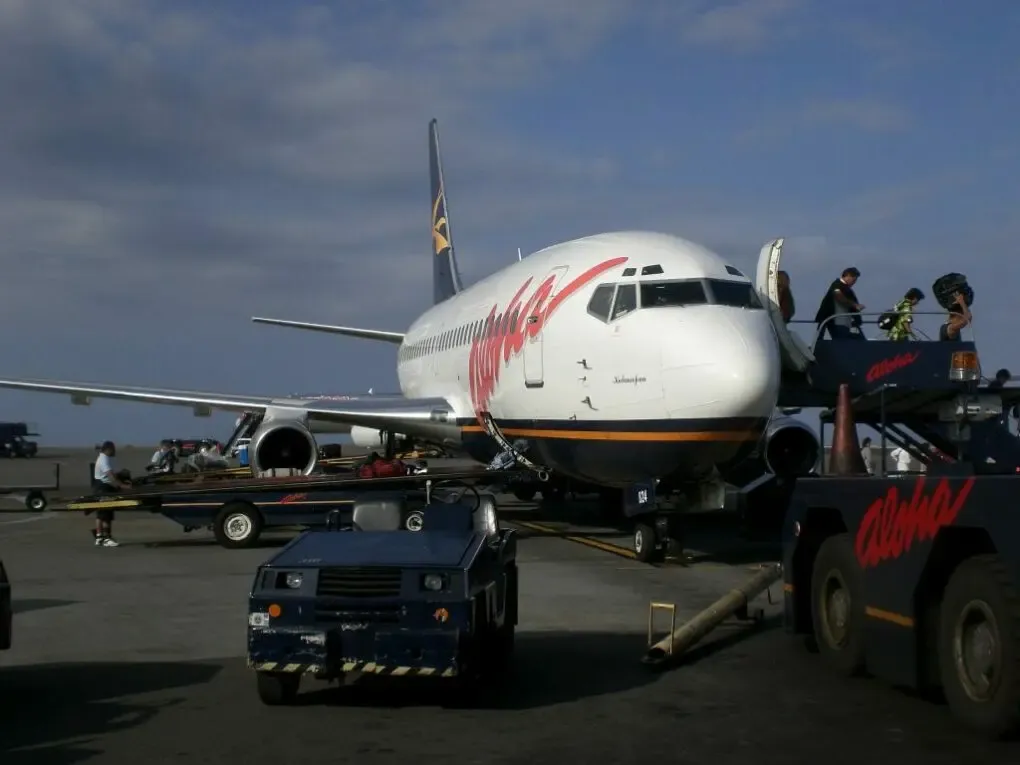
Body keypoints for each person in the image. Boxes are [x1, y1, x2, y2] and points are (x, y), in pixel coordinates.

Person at [92, 441, 129, 547]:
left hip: (106, 487)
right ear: (108, 449)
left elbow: (116, 472)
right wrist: (122, 486)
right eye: (113, 449)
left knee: (101, 513)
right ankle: (106, 537)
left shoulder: (109, 458)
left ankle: (99, 537)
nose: (115, 451)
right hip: (103, 488)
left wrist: (125, 477)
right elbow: (110, 475)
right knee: (106, 513)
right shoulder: (103, 459)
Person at [815, 267, 865, 340]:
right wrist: (855, 305)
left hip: (842, 321)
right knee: (841, 340)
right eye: (853, 279)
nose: (854, 282)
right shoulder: (837, 284)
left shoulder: (848, 290)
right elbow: (838, 296)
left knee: (850, 339)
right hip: (833, 320)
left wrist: (858, 320)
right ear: (847, 276)